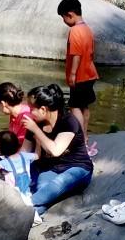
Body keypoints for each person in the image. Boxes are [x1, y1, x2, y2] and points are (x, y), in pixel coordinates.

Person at [24, 82, 93, 212]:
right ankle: (33, 215)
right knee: (43, 191)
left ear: (43, 109)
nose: (29, 112)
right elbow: (24, 151)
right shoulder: (36, 123)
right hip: (51, 169)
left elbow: (55, 150)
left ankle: (23, 206)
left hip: (78, 168)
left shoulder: (68, 121)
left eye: (31, 108)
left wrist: (35, 130)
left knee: (57, 185)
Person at [58, 0, 98, 133]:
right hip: (90, 74)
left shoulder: (75, 31)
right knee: (84, 107)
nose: (63, 21)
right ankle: (85, 135)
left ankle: (80, 137)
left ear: (70, 14)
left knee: (74, 106)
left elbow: (76, 54)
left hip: (80, 76)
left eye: (63, 18)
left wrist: (72, 74)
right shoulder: (87, 29)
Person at [0, 128, 34, 198]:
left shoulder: (5, 163)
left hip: (12, 195)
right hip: (27, 194)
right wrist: (38, 144)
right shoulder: (25, 156)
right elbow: (38, 155)